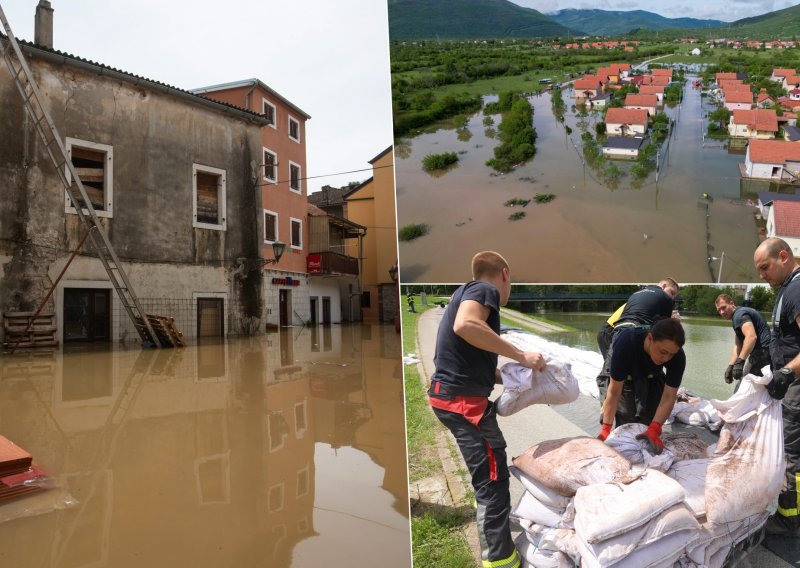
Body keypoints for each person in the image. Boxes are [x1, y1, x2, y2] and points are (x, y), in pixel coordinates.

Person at [428, 251, 544, 568]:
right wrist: (522, 357)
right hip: (463, 404)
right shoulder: (484, 290)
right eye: (512, 282)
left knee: (490, 474)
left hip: (453, 396)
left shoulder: (463, 291)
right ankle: (501, 560)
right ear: (504, 274)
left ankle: (498, 549)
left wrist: (504, 375)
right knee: (492, 482)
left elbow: (460, 352)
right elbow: (466, 326)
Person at [754, 237, 800, 536]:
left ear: (783, 256)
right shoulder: (788, 288)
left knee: (791, 454)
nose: (762, 275)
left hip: (797, 386)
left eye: (765, 267)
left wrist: (786, 372)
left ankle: (788, 518)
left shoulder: (797, 289)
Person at [597, 318, 686, 455]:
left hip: (652, 373)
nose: (666, 358)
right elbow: (614, 392)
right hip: (627, 372)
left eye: (671, 354)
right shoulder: (626, 344)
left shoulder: (678, 357)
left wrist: (655, 428)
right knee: (626, 414)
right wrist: (605, 430)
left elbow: (669, 396)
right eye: (663, 352)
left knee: (647, 420)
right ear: (650, 338)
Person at [596, 278, 680, 399]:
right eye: (672, 292)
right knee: (614, 371)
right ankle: (615, 402)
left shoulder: (640, 296)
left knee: (624, 368)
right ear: (663, 285)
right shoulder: (660, 299)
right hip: (609, 331)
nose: (672, 297)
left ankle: (623, 399)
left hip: (618, 330)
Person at [714, 293, 771, 392]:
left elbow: (751, 337)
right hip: (764, 352)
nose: (722, 312)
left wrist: (740, 362)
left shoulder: (739, 315)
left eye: (723, 307)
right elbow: (738, 344)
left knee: (742, 387)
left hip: (763, 352)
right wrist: (731, 366)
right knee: (755, 388)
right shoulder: (738, 314)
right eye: (719, 310)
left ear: (731, 303)